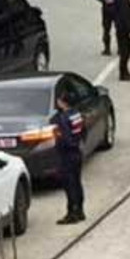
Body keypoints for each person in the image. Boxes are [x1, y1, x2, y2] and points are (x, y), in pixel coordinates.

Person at [53, 93, 85, 225]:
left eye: (59, 100)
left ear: (63, 102)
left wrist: (58, 140)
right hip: (77, 151)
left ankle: (72, 213)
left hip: (67, 154)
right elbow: (83, 131)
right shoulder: (76, 114)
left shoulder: (63, 118)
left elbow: (65, 137)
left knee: (69, 184)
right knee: (77, 183)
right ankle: (81, 210)